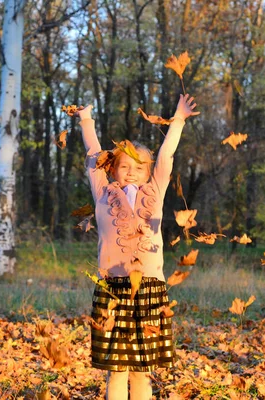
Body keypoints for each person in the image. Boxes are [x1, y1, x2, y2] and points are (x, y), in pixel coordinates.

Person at [77, 94, 199, 400]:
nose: (131, 171)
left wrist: (179, 119)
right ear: (114, 169)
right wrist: (85, 119)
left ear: (148, 172)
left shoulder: (154, 191)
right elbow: (93, 155)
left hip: (148, 288)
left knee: (142, 368)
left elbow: (166, 157)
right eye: (124, 166)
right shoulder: (104, 193)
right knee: (116, 368)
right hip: (113, 289)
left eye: (139, 167)